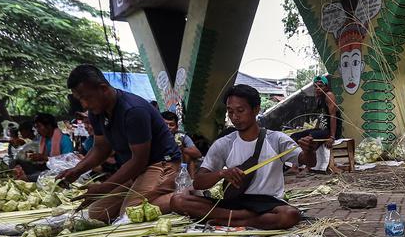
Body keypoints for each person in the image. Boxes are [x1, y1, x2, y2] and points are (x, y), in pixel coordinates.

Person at [166, 84, 315, 228]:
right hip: (235, 201)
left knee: (289, 215)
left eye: (240, 110)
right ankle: (245, 219)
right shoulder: (224, 143)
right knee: (177, 200)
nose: (234, 117)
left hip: (267, 203)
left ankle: (225, 218)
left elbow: (308, 161)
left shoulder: (276, 139)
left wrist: (308, 151)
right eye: (230, 112)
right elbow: (198, 182)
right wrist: (222, 173)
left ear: (256, 109)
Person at [57, 65, 181, 222]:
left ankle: (183, 196)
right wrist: (76, 171)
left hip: (160, 164)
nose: (85, 105)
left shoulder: (133, 111)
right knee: (98, 214)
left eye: (86, 97)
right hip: (135, 170)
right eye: (80, 100)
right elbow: (101, 148)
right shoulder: (98, 112)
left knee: (129, 215)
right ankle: (147, 195)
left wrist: (103, 188)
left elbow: (139, 160)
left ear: (103, 88)